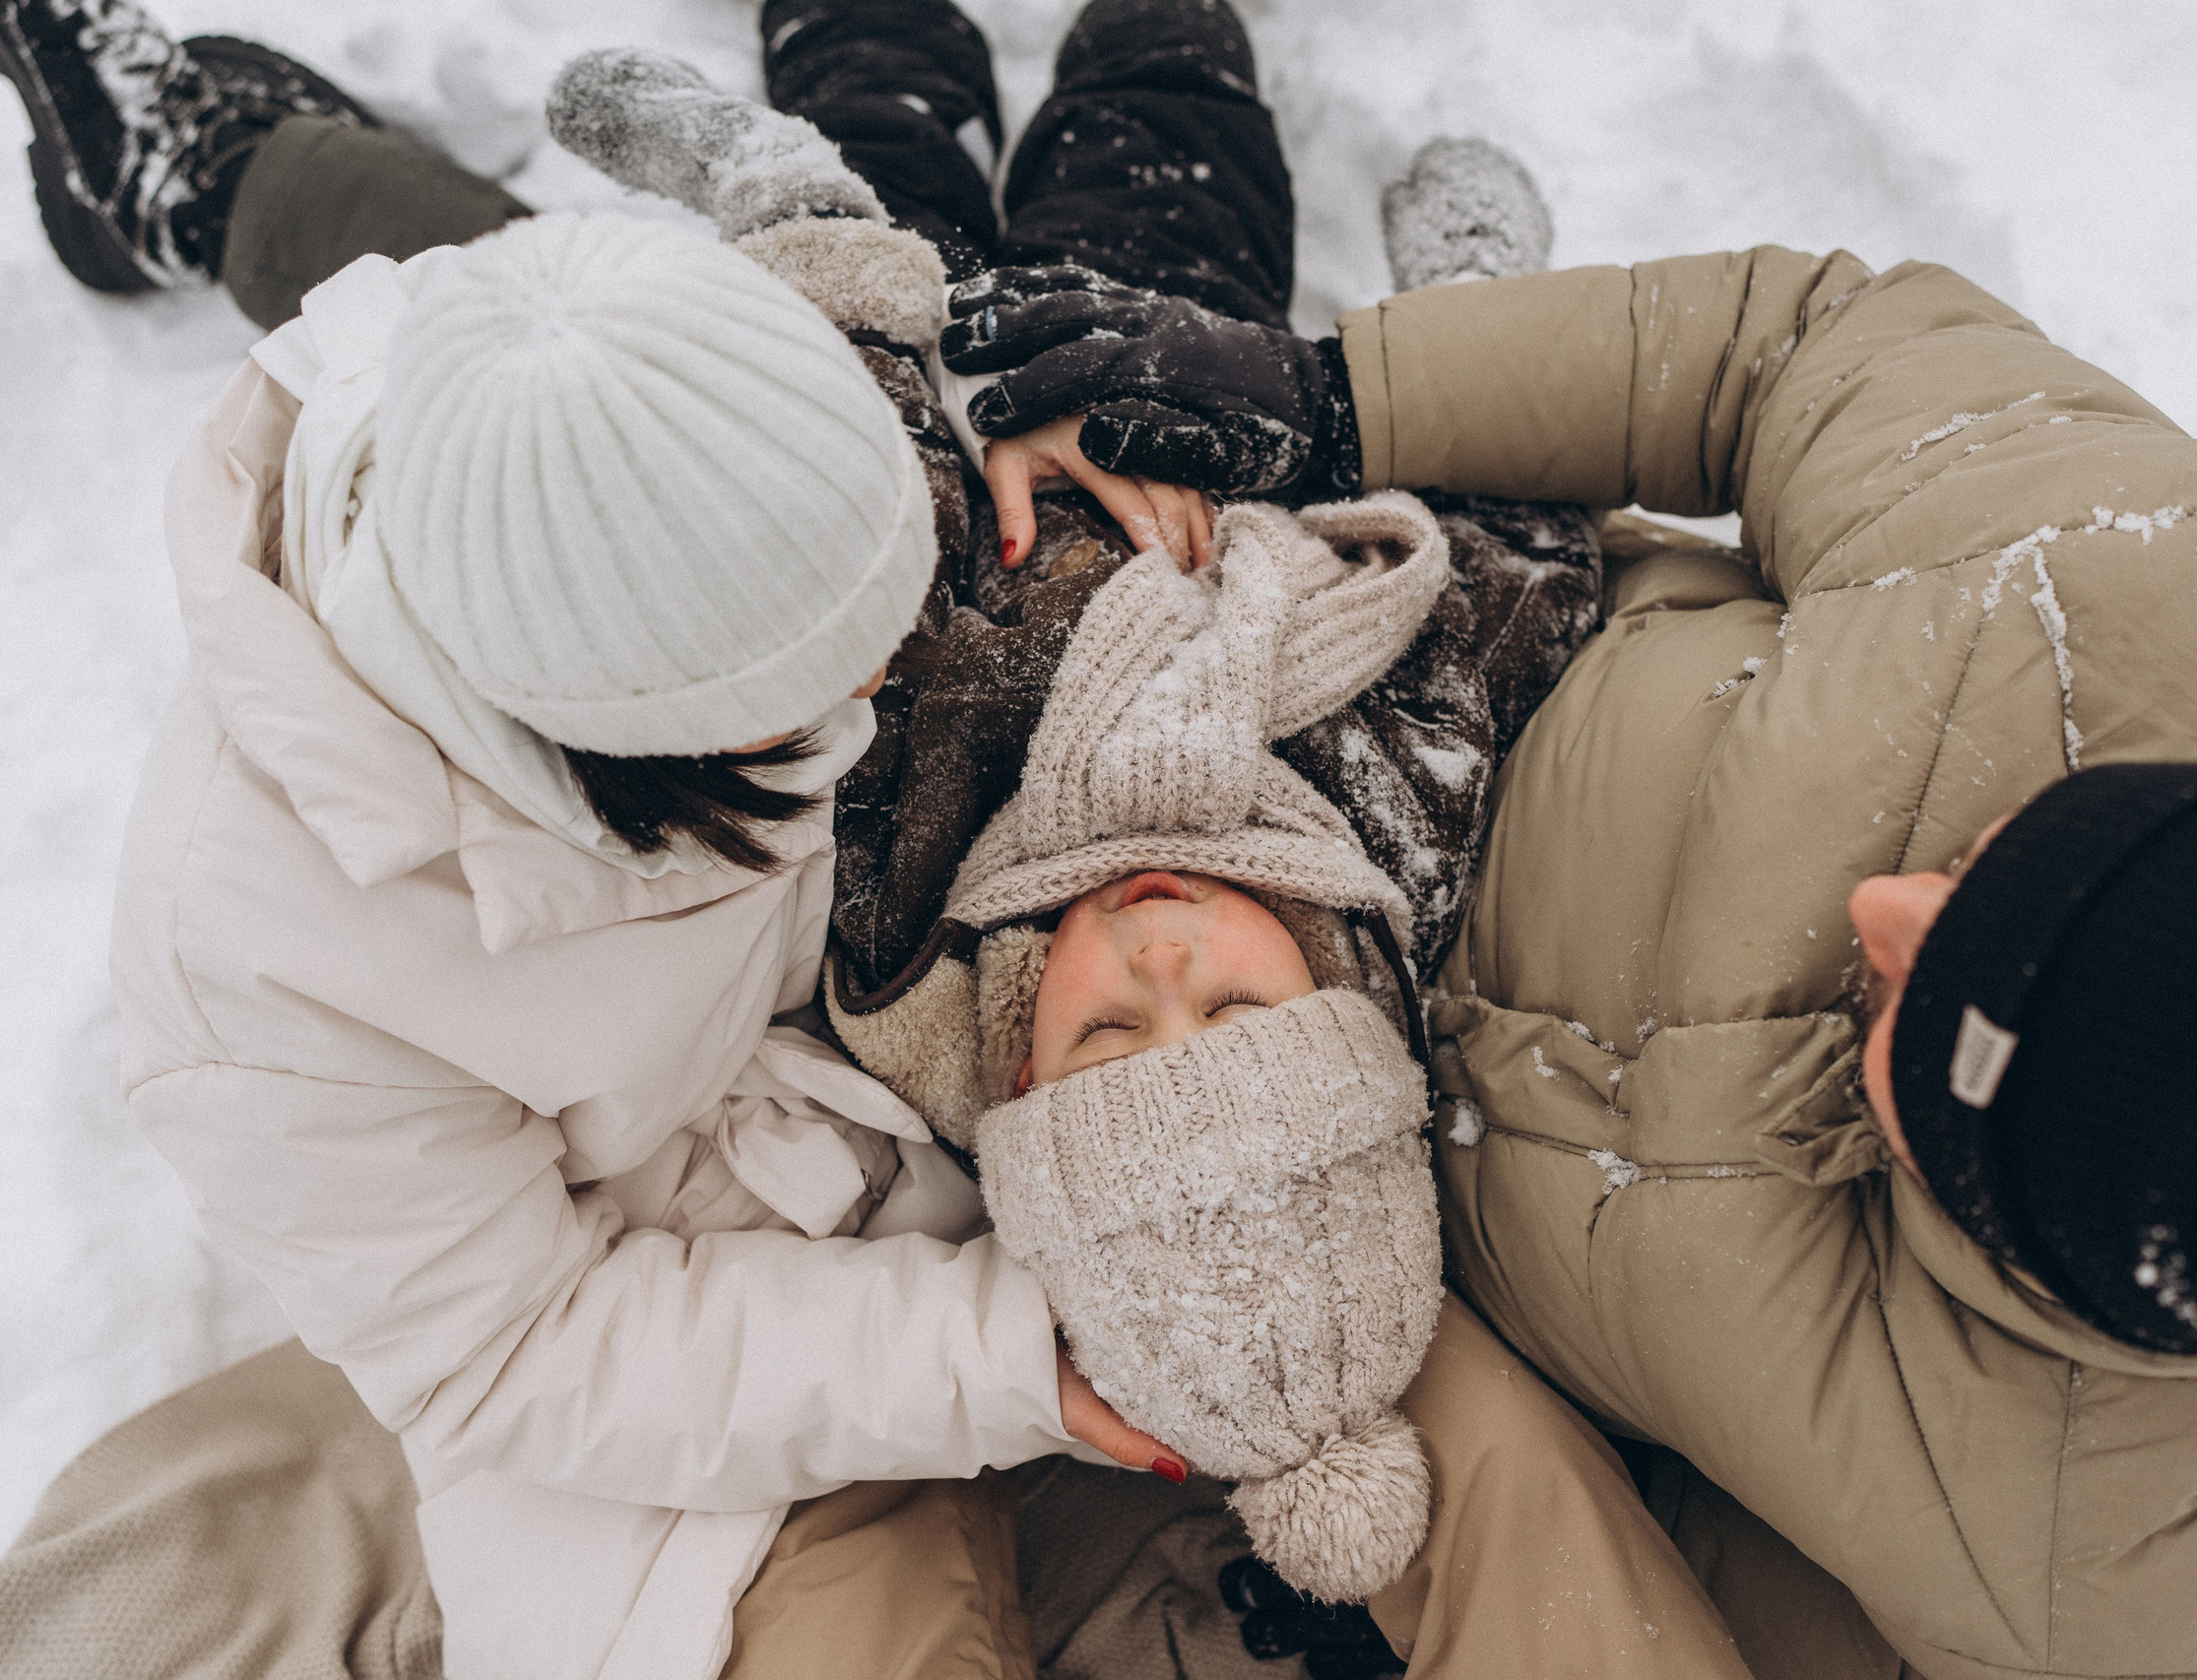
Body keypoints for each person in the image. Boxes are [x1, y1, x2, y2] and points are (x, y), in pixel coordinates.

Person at [3, 5, 1760, 1680]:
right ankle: (205, 158)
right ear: (629, 745)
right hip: (739, 1293)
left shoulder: (682, 458)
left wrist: (1031, 402)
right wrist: (1011, 1358)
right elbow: (519, 1346)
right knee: (1093, 116)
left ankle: (256, 163)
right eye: (817, 676)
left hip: (986, 467)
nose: (894, 662)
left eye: (884, 588)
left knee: (888, 134)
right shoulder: (270, 982)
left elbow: (844, 359)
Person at [951, 244, 2197, 1678]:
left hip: (1335, 1219)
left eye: (1925, 1012)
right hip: (1466, 687)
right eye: (1992, 857)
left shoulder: (2110, 1570)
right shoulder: (2165, 588)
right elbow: (1776, 355)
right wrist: (1338, 399)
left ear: (2028, 1249)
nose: (1885, 907)